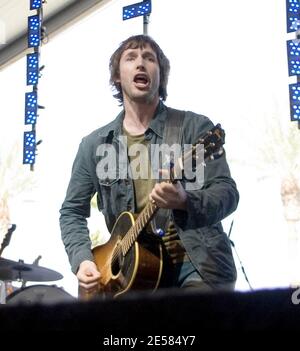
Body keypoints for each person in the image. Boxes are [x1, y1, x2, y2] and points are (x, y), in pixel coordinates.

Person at [59, 34, 239, 298]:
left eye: (149, 58)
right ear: (118, 76)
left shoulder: (195, 128)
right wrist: (83, 260)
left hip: (198, 265)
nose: (140, 63)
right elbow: (72, 211)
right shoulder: (93, 145)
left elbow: (227, 193)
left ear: (160, 76)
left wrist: (185, 200)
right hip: (132, 276)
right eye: (131, 58)